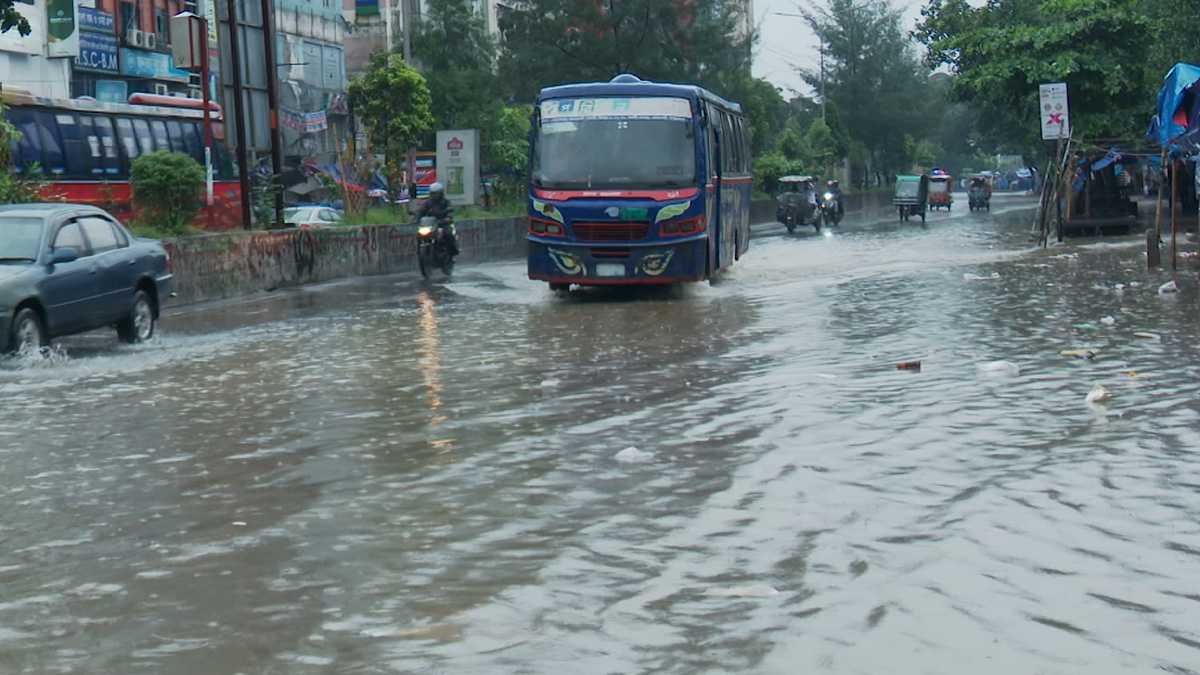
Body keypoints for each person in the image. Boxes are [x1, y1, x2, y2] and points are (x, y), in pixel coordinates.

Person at [417, 182, 459, 256]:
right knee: (419, 235)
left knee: (448, 234)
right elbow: (421, 211)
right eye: (433, 193)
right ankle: (419, 252)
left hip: (443, 223)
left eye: (436, 193)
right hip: (431, 224)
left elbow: (450, 210)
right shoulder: (427, 203)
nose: (434, 195)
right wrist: (416, 218)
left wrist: (448, 217)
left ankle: (452, 251)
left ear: (441, 193)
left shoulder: (446, 202)